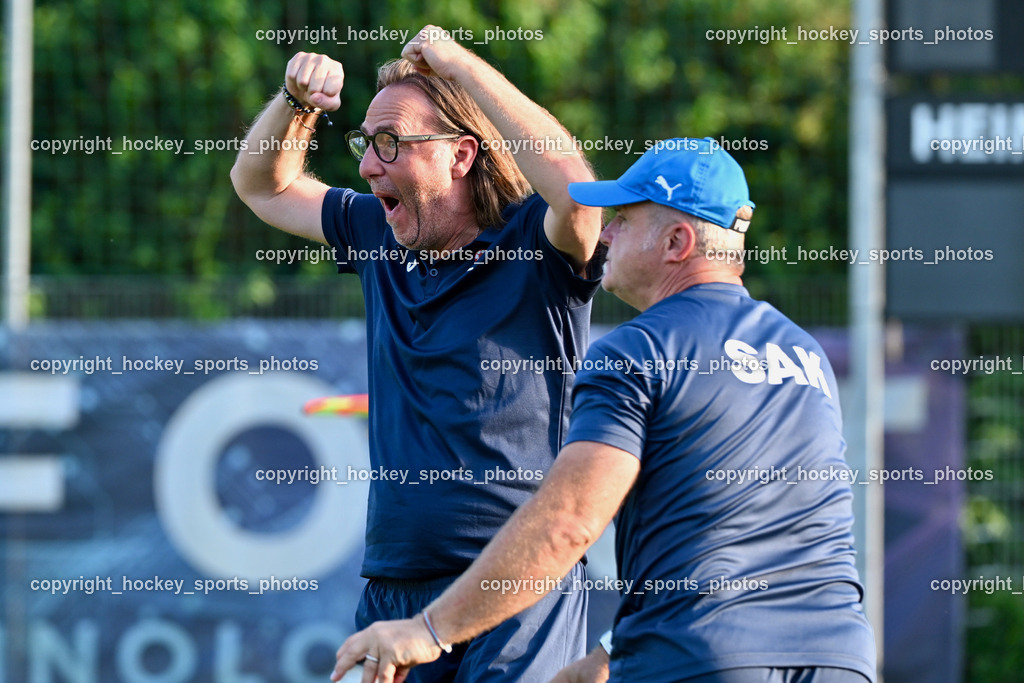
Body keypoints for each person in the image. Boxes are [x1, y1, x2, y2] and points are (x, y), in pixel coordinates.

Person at [331, 138, 878, 683]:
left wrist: (427, 630)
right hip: (840, 656)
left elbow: (569, 523)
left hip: (701, 659)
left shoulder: (639, 351)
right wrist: (599, 663)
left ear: (677, 242)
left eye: (624, 220)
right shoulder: (804, 354)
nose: (607, 234)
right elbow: (748, 538)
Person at [230, 25, 604, 683]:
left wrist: (461, 65)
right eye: (364, 143)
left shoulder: (533, 241)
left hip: (517, 587)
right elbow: (262, 185)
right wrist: (296, 105)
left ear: (461, 155)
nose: (367, 166)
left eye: (390, 143)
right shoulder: (379, 232)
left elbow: (576, 191)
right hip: (396, 586)